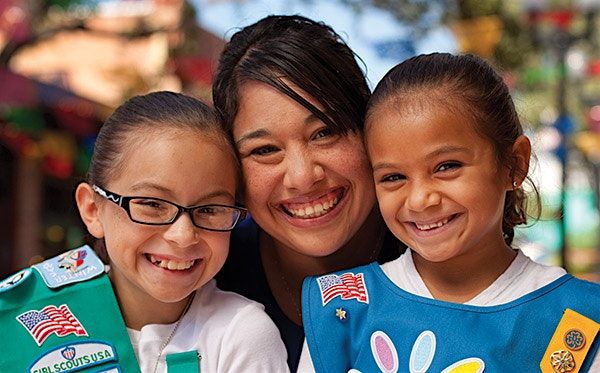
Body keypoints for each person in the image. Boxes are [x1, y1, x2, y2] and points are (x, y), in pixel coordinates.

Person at [302, 53, 600, 372]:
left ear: (514, 163)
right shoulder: (341, 309)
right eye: (393, 177)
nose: (419, 200)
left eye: (447, 167)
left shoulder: (578, 316)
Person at [0, 91, 289, 372]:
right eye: (152, 204)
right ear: (92, 209)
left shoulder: (238, 335)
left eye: (210, 209)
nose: (183, 235)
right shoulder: (19, 318)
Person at [212, 15, 402, 371]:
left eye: (324, 132)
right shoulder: (207, 272)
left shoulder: (441, 253)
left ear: (368, 128)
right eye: (265, 150)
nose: (302, 177)